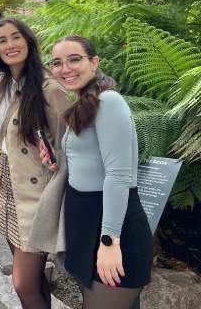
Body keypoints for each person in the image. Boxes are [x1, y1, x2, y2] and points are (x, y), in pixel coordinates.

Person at [46, 36, 152, 309]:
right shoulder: (85, 102)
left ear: (94, 63)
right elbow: (89, 160)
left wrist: (109, 242)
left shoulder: (109, 102)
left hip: (112, 226)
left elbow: (119, 175)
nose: (65, 68)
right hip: (86, 223)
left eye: (74, 59)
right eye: (57, 63)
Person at [0, 18, 71, 308]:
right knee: (33, 281)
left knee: (22, 283)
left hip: (35, 194)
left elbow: (66, 147)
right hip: (7, 183)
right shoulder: (4, 85)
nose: (9, 45)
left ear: (29, 42)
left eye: (16, 37)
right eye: (2, 40)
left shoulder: (49, 89)